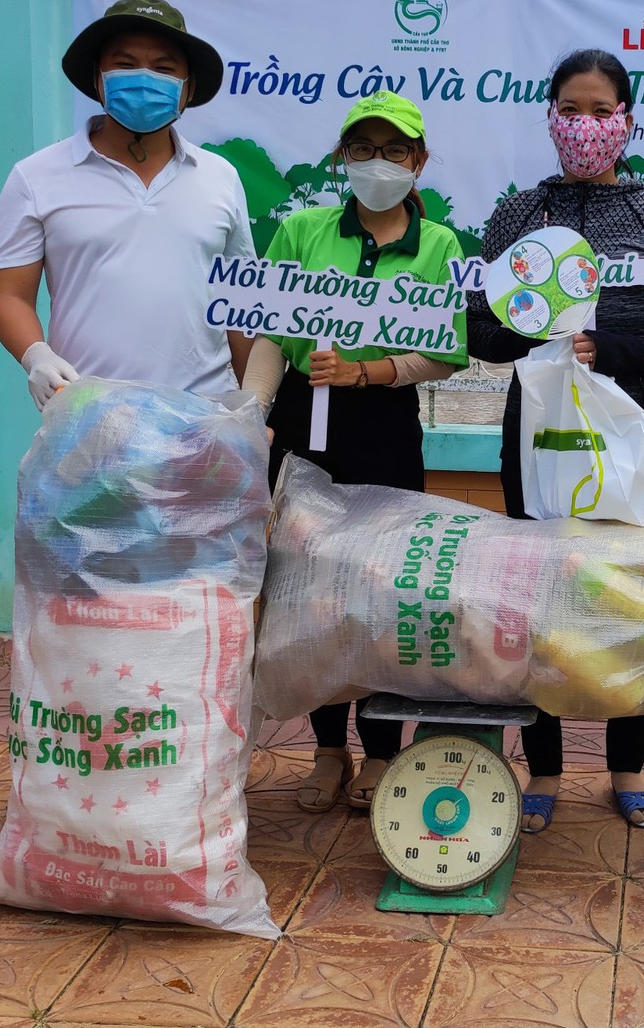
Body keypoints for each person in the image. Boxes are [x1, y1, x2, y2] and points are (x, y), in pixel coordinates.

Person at [467, 49, 644, 835]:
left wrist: (610, 349)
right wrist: (531, 329)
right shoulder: (518, 214)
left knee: (629, 592)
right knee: (536, 593)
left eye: (601, 111)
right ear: (550, 117)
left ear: (626, 120)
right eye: (570, 109)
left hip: (631, 430)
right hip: (539, 431)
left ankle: (627, 765)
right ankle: (543, 767)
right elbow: (480, 333)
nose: (585, 125)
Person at [241, 91, 467, 813]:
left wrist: (369, 371)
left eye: (394, 150)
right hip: (304, 419)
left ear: (418, 161)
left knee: (378, 588)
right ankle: (327, 750)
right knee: (306, 588)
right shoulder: (302, 230)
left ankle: (380, 752)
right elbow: (270, 333)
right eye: (363, 148)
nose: (378, 162)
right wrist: (252, 415)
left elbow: (446, 353)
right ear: (342, 157)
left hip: (383, 423)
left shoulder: (439, 245)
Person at [0, 0, 254, 405]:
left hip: (206, 413)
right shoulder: (36, 176)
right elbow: (10, 295)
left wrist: (254, 403)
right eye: (125, 64)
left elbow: (239, 302)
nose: (144, 78)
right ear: (98, 78)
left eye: (164, 68)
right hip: (87, 409)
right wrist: (36, 356)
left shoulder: (221, 176)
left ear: (188, 88)